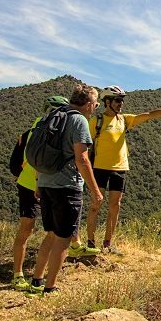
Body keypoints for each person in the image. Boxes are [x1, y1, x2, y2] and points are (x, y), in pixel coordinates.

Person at [84, 85, 161, 255]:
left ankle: (108, 243)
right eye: (118, 100)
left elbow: (148, 115)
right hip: (99, 168)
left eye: (122, 100)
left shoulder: (124, 120)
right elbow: (86, 147)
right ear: (108, 102)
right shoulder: (96, 122)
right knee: (96, 205)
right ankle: (90, 243)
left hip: (120, 168)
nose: (121, 103)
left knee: (115, 205)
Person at [27, 84, 103, 295]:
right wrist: (96, 191)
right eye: (95, 104)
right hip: (66, 185)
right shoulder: (79, 120)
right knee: (63, 238)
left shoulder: (54, 114)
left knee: (51, 234)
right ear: (88, 104)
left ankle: (36, 280)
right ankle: (50, 287)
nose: (95, 107)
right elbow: (82, 158)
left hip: (45, 182)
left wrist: (37, 183)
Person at [10, 95, 70, 290]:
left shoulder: (33, 131)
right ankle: (21, 274)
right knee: (34, 229)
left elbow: (14, 164)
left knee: (34, 229)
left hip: (34, 185)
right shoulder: (39, 132)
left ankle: (29, 274)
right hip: (35, 185)